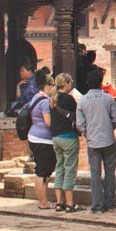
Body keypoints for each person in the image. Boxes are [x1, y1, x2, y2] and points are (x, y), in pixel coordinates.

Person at [77, 68, 116, 214]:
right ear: (101, 82)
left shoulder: (82, 100)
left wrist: (87, 133)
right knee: (110, 173)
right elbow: (115, 119)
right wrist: (109, 128)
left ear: (88, 83)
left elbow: (80, 124)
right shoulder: (109, 99)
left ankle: (97, 205)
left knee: (95, 174)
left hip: (92, 141)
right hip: (108, 140)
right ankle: (109, 202)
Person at [48, 73, 82, 213]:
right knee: (70, 169)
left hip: (56, 138)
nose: (71, 84)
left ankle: (59, 202)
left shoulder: (53, 99)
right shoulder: (68, 99)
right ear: (66, 83)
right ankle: (70, 202)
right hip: (68, 136)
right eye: (70, 82)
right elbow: (78, 115)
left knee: (60, 168)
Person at [25, 73, 56, 210]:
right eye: (53, 86)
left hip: (34, 136)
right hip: (43, 140)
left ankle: (43, 200)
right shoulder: (44, 102)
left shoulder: (35, 98)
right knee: (43, 172)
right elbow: (48, 122)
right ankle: (43, 202)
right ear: (48, 85)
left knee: (42, 171)